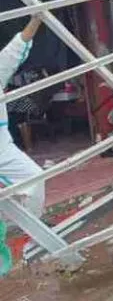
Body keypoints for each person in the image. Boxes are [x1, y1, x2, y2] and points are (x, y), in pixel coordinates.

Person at [0, 16, 46, 277]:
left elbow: (17, 45)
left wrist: (37, 18)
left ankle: (33, 239)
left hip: (2, 148)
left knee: (35, 179)